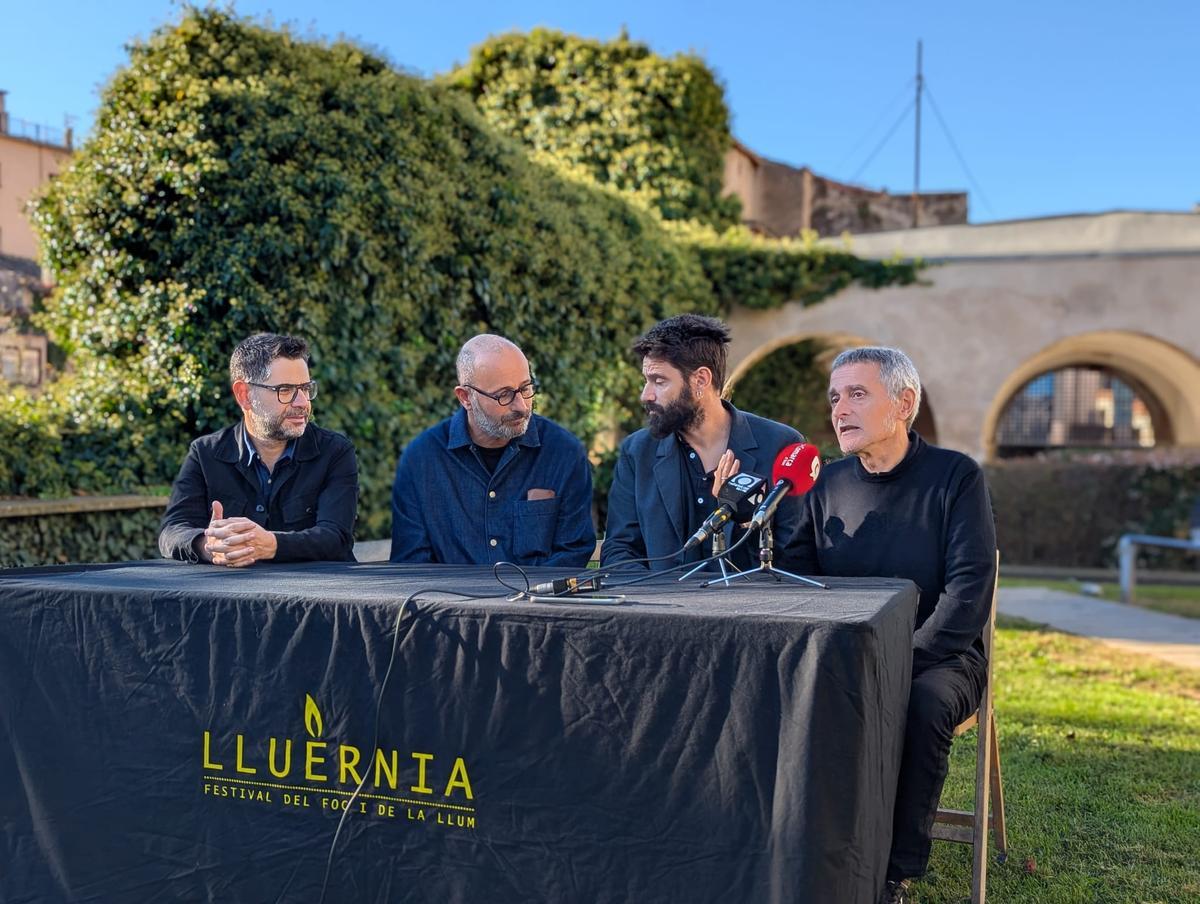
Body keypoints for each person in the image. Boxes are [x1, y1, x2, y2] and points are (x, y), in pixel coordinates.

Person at [783, 346, 997, 904]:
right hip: (844, 652)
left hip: (940, 657)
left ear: (904, 404)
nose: (840, 408)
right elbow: (799, 579)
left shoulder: (955, 477)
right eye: (834, 397)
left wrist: (898, 662)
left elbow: (969, 592)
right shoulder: (823, 484)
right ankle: (805, 845)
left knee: (921, 704)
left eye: (857, 393)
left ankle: (891, 873)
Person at [602, 314, 805, 572]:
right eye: (646, 380)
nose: (646, 394)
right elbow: (619, 551)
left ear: (701, 380)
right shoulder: (637, 451)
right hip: (663, 608)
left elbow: (795, 558)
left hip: (750, 609)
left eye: (659, 381)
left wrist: (744, 520)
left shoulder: (781, 446)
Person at [389, 334, 595, 566]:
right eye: (504, 395)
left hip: (536, 600)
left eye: (526, 388)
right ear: (466, 397)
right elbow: (412, 566)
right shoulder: (422, 460)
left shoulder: (563, 453)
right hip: (452, 601)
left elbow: (572, 553)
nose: (522, 406)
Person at [158, 333, 358, 565]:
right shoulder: (205, 454)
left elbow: (337, 537)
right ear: (244, 395)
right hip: (234, 598)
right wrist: (209, 546)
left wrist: (270, 545)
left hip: (318, 596)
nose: (302, 402)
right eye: (285, 390)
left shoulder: (335, 452)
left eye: (305, 388)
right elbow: (171, 532)